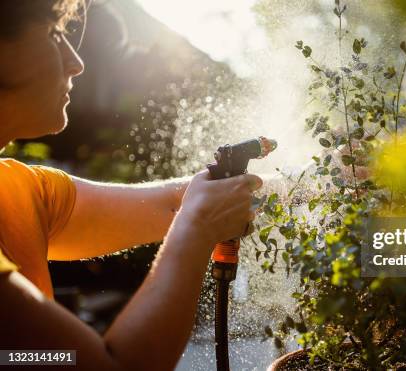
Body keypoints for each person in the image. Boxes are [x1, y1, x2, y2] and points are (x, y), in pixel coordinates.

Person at [0, 1, 262, 370]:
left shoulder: (18, 190)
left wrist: (322, 179)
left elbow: (177, 203)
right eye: (52, 33)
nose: (76, 61)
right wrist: (198, 227)